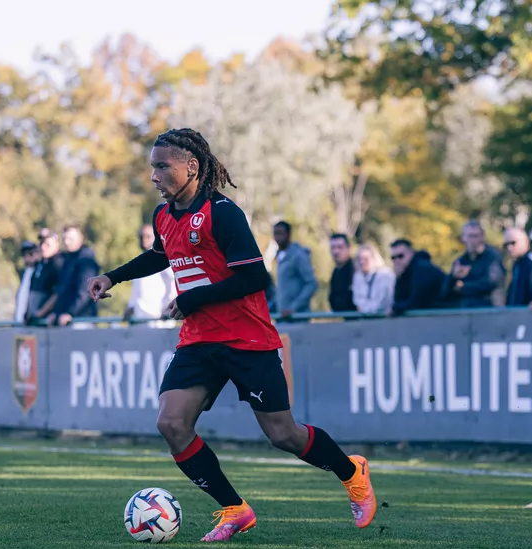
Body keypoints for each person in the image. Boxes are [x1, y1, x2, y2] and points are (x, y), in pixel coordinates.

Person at [86, 128, 376, 542]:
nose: (154, 176)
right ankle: (235, 509)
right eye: (152, 167)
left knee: (283, 435)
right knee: (171, 423)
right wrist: (112, 277)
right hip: (199, 340)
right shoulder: (164, 216)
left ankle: (352, 472)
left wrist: (195, 298)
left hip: (246, 339)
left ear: (192, 166)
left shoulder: (223, 212)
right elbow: (158, 256)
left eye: (162, 166)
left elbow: (255, 276)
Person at [442, 220, 506, 308]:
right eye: (469, 236)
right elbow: (445, 292)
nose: (472, 240)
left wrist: (463, 287)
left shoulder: (492, 256)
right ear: (463, 238)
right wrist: (453, 277)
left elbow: (491, 282)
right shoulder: (461, 261)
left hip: (487, 309)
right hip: (463, 310)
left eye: (475, 236)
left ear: (482, 237)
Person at [125, 224, 177, 326]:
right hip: (140, 318)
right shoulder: (140, 260)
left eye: (147, 236)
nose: (144, 240)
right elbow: (137, 289)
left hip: (158, 318)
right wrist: (131, 306)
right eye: (141, 237)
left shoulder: (162, 258)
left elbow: (173, 282)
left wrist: (169, 307)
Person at [48, 225, 100, 327]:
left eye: (70, 239)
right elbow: (62, 291)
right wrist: (56, 313)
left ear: (81, 239)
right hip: (65, 320)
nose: (67, 242)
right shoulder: (67, 261)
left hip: (82, 320)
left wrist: (70, 313)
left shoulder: (86, 261)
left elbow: (86, 292)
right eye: (65, 239)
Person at [272, 221, 318, 319]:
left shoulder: (298, 255)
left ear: (288, 234)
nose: (277, 237)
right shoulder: (280, 257)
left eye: (280, 233)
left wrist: (293, 307)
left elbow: (311, 284)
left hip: (298, 318)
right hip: (283, 317)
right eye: (275, 233)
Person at [390, 239, 447, 315]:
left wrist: (395, 308)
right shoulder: (406, 272)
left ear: (411, 254)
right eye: (393, 258)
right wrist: (399, 277)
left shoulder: (422, 268)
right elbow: (400, 299)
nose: (397, 261)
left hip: (444, 313)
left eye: (401, 256)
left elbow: (417, 301)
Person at [27, 229, 62, 324]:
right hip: (35, 318)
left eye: (47, 244)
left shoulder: (58, 264)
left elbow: (58, 293)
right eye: (41, 243)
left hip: (47, 321)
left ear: (56, 244)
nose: (43, 247)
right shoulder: (42, 263)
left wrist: (41, 312)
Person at [352, 244, 395, 315]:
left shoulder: (385, 275)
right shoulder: (358, 276)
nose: (362, 262)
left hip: (383, 317)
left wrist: (367, 309)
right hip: (366, 317)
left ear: (374, 258)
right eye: (360, 259)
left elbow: (383, 301)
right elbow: (357, 300)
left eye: (366, 259)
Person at [504, 227, 532, 306]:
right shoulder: (517, 264)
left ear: (525, 241)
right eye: (506, 244)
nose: (509, 247)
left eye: (513, 243)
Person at [328, 233, 356, 312]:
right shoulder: (336, 271)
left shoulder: (355, 270)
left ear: (348, 248)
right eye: (333, 248)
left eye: (340, 247)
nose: (336, 251)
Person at [14, 241, 39, 323]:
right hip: (21, 320)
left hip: (32, 321)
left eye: (31, 254)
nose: (28, 257)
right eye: (25, 254)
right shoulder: (25, 273)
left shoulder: (39, 272)